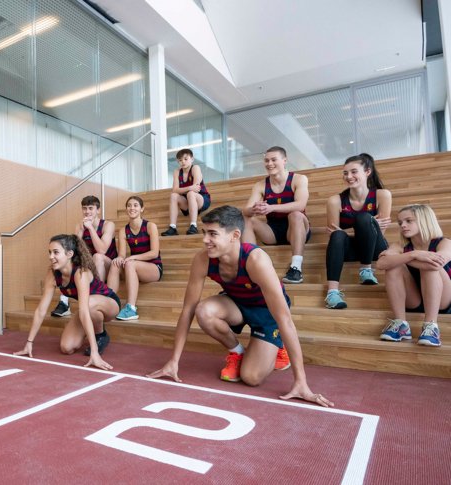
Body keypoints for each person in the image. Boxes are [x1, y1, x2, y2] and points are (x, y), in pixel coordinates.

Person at [147, 206, 332, 407]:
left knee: (251, 378)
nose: (205, 240)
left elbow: (284, 319)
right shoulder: (203, 259)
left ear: (235, 235)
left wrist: (301, 382)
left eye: (212, 234)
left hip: (266, 312)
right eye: (204, 233)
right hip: (237, 303)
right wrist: (174, 361)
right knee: (203, 310)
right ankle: (237, 351)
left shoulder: (256, 260)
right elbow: (188, 310)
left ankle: (279, 347)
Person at [15, 234, 119, 368]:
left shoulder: (81, 273)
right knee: (66, 347)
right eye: (50, 252)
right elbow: (41, 310)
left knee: (88, 305)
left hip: (109, 303)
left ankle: (101, 335)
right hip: (88, 307)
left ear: (69, 254)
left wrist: (95, 353)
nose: (50, 257)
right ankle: (96, 330)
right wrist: (29, 343)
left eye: (55, 252)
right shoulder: (53, 274)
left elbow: (83, 310)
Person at [325, 153, 392, 309]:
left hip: (375, 248)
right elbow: (334, 233)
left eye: (354, 171)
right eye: (345, 173)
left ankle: (366, 270)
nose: (349, 176)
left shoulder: (382, 195)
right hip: (349, 250)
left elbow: (380, 233)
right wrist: (370, 225)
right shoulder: (335, 200)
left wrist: (364, 225)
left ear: (367, 172)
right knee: (339, 234)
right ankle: (332, 293)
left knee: (363, 218)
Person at [376, 204, 449, 346]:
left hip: (442, 300)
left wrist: (402, 258)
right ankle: (401, 324)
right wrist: (415, 254)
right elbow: (380, 264)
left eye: (409, 221)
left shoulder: (445, 243)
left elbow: (435, 264)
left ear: (424, 220)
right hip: (413, 298)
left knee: (430, 266)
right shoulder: (400, 246)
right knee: (393, 267)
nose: (403, 225)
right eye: (400, 223)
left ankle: (431, 326)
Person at [241, 146, 310, 284]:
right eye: (266, 161)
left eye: (273, 160)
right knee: (247, 219)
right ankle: (248, 267)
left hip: (296, 229)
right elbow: (245, 210)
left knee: (295, 214)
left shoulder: (299, 179)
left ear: (284, 160)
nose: (269, 164)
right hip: (273, 231)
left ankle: (296, 268)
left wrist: (271, 207)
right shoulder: (260, 185)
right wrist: (254, 209)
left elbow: (300, 204)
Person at [50, 195, 117, 318]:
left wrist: (90, 228)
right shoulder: (80, 225)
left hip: (108, 264)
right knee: (67, 261)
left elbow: (102, 249)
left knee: (97, 256)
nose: (87, 212)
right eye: (84, 208)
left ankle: (96, 296)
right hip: (90, 265)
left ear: (98, 210)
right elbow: (73, 250)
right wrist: (80, 231)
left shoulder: (108, 225)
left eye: (91, 208)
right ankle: (64, 303)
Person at [108, 196, 162, 321]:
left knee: (130, 263)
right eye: (129, 205)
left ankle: (131, 308)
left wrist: (133, 258)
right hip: (135, 265)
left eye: (136, 205)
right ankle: (110, 303)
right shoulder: (123, 231)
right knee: (115, 263)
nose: (132, 208)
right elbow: (121, 254)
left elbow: (154, 253)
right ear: (126, 209)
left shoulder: (150, 226)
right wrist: (119, 258)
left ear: (142, 209)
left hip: (154, 267)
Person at [161, 148, 211, 236]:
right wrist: (190, 187)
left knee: (191, 193)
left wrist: (189, 188)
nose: (183, 162)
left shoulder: (195, 168)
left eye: (185, 159)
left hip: (201, 199)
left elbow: (196, 188)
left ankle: (193, 225)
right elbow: (175, 190)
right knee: (173, 195)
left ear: (192, 159)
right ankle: (172, 227)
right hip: (187, 201)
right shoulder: (177, 172)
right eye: (180, 160)